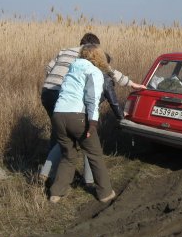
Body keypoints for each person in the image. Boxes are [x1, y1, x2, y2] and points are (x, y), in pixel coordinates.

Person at [39, 33, 145, 181]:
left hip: (47, 92)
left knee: (59, 131)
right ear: (94, 47)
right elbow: (109, 72)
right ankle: (75, 177)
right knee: (77, 136)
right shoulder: (89, 55)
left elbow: (48, 68)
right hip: (65, 95)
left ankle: (50, 171)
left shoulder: (64, 50)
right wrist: (132, 83)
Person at [40, 53, 124, 184]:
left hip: (65, 111)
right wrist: (121, 118)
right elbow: (114, 103)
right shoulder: (104, 78)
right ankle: (89, 179)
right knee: (90, 147)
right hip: (83, 115)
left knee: (64, 144)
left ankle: (46, 172)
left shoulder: (76, 72)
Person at [49, 44, 115, 203]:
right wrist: (93, 123)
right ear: (99, 57)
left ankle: (56, 193)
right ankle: (105, 193)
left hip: (58, 115)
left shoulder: (72, 69)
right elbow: (91, 98)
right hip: (77, 116)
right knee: (95, 154)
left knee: (68, 155)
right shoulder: (94, 72)